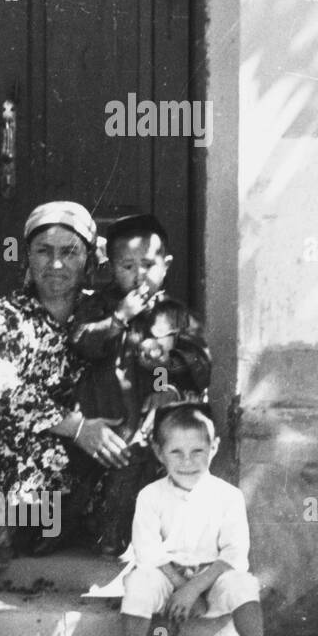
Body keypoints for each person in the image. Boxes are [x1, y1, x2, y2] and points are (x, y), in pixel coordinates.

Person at [105, 403, 270, 636]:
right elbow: (148, 551)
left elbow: (234, 554)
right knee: (139, 582)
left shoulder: (229, 496)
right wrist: (182, 588)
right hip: (168, 578)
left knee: (245, 585)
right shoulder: (150, 496)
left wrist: (194, 590)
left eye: (197, 451)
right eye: (176, 452)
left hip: (213, 579)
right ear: (159, 452)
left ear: (214, 448)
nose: (187, 462)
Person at [0, 202, 127, 559]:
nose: (56, 264)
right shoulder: (0, 317)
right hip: (26, 467)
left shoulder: (106, 316)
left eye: (70, 252)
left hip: (91, 461)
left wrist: (161, 386)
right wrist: (77, 428)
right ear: (27, 257)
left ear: (89, 260)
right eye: (43, 251)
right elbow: (3, 393)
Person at [71, 213, 211, 555]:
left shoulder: (174, 314)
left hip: (150, 421)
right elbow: (81, 343)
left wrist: (167, 376)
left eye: (148, 265)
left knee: (147, 476)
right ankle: (98, 533)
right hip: (106, 416)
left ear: (166, 265)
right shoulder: (97, 306)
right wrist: (119, 318)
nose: (138, 275)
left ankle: (137, 538)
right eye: (127, 266)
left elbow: (199, 363)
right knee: (98, 481)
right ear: (111, 268)